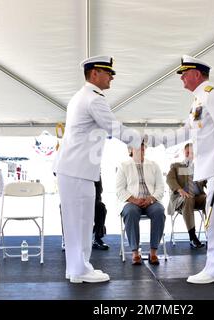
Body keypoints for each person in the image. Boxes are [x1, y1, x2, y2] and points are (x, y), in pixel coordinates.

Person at [149, 55, 214, 284]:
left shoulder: (213, 94)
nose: (182, 77)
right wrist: (157, 140)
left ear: (197, 74)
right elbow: (187, 131)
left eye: (184, 72)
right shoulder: (198, 99)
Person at [54, 55, 141, 283]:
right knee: (79, 222)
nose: (111, 76)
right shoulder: (93, 99)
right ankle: (79, 270)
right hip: (77, 171)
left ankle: (78, 268)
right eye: (108, 72)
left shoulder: (81, 96)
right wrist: (140, 139)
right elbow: (114, 127)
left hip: (77, 170)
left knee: (80, 222)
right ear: (94, 74)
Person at [116, 142, 165, 265]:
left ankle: (153, 252)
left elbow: (160, 187)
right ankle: (135, 252)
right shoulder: (123, 166)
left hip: (151, 201)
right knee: (131, 212)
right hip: (132, 201)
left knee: (159, 211)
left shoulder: (154, 165)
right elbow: (120, 189)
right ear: (130, 151)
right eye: (138, 148)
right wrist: (134, 200)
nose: (141, 150)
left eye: (143, 148)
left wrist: (151, 198)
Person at [166, 143, 206, 248]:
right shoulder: (176, 166)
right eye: (187, 152)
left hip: (197, 197)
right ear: (184, 152)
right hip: (181, 199)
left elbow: (207, 181)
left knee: (209, 199)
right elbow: (170, 179)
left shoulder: (199, 167)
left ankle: (212, 233)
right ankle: (193, 237)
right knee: (188, 198)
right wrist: (179, 190)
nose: (189, 154)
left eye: (191, 153)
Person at [92, 176, 109, 250]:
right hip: (73, 198)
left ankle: (97, 238)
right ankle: (66, 239)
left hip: (91, 197)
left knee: (100, 207)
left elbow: (99, 190)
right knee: (63, 206)